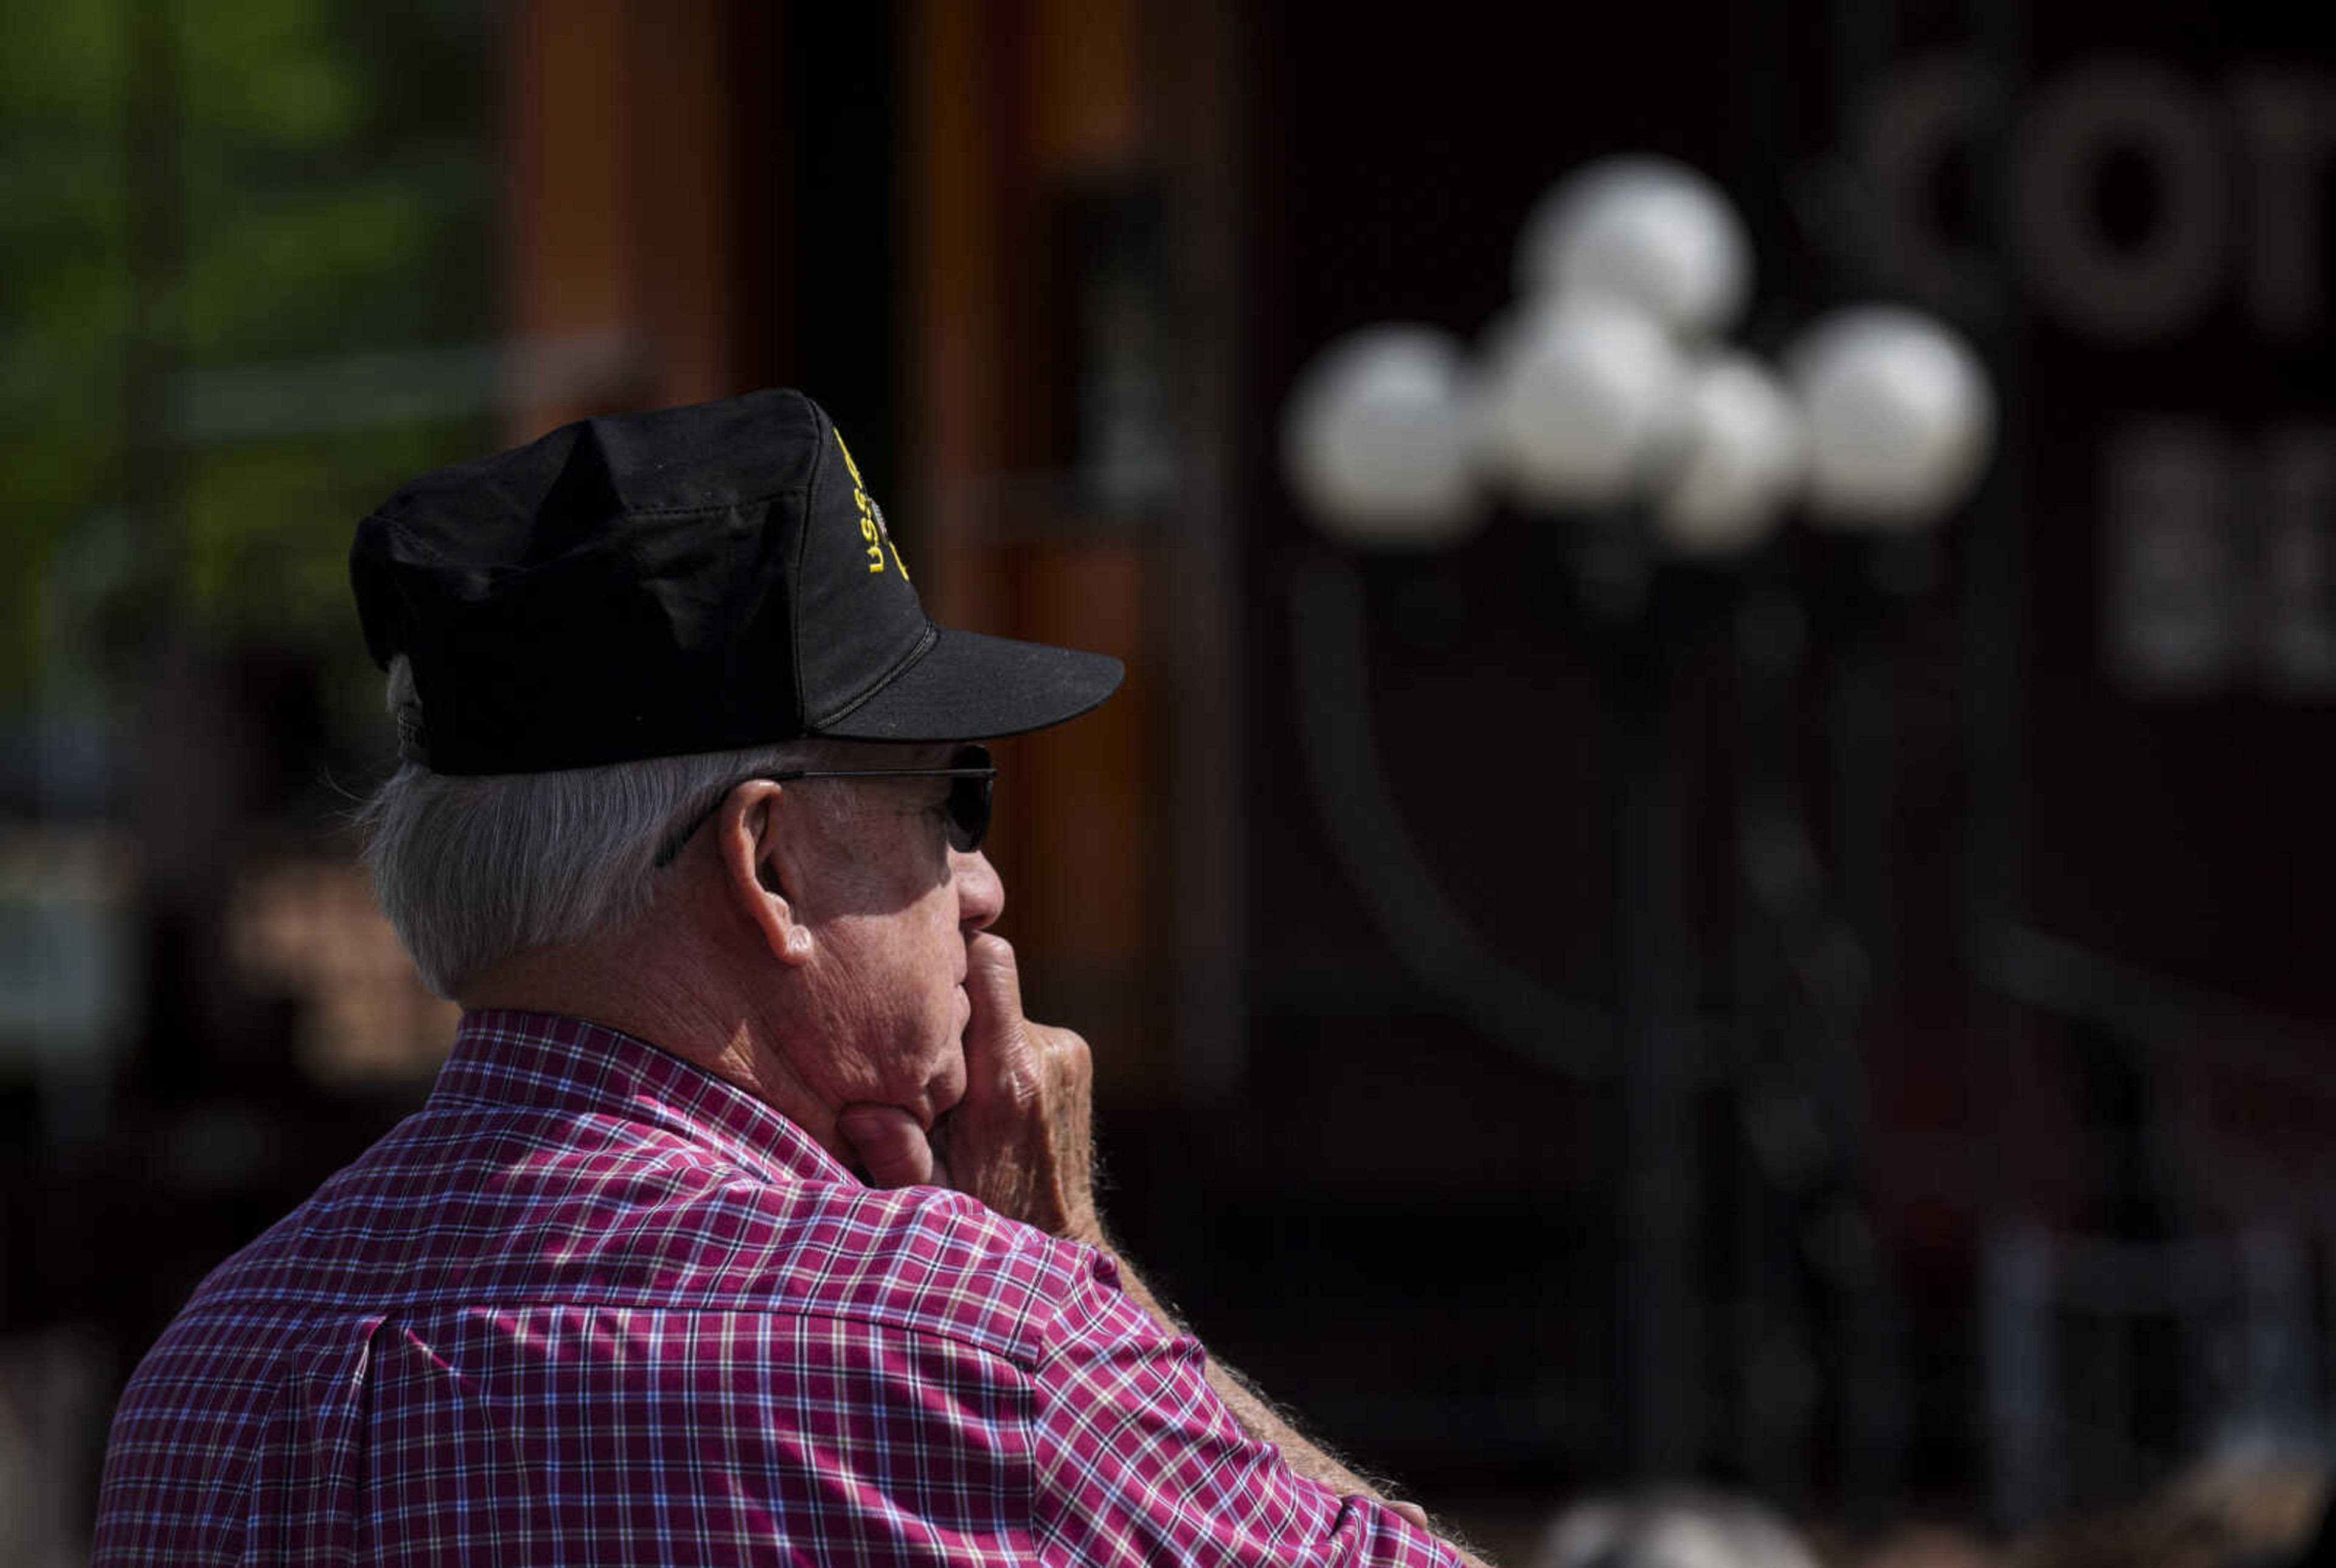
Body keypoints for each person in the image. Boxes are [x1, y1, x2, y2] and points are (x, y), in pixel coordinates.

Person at [94, 388, 1481, 1566]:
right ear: (767, 862)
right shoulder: (974, 1339)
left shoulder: (209, 1369)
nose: (981, 882)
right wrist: (1090, 1270)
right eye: (952, 797)